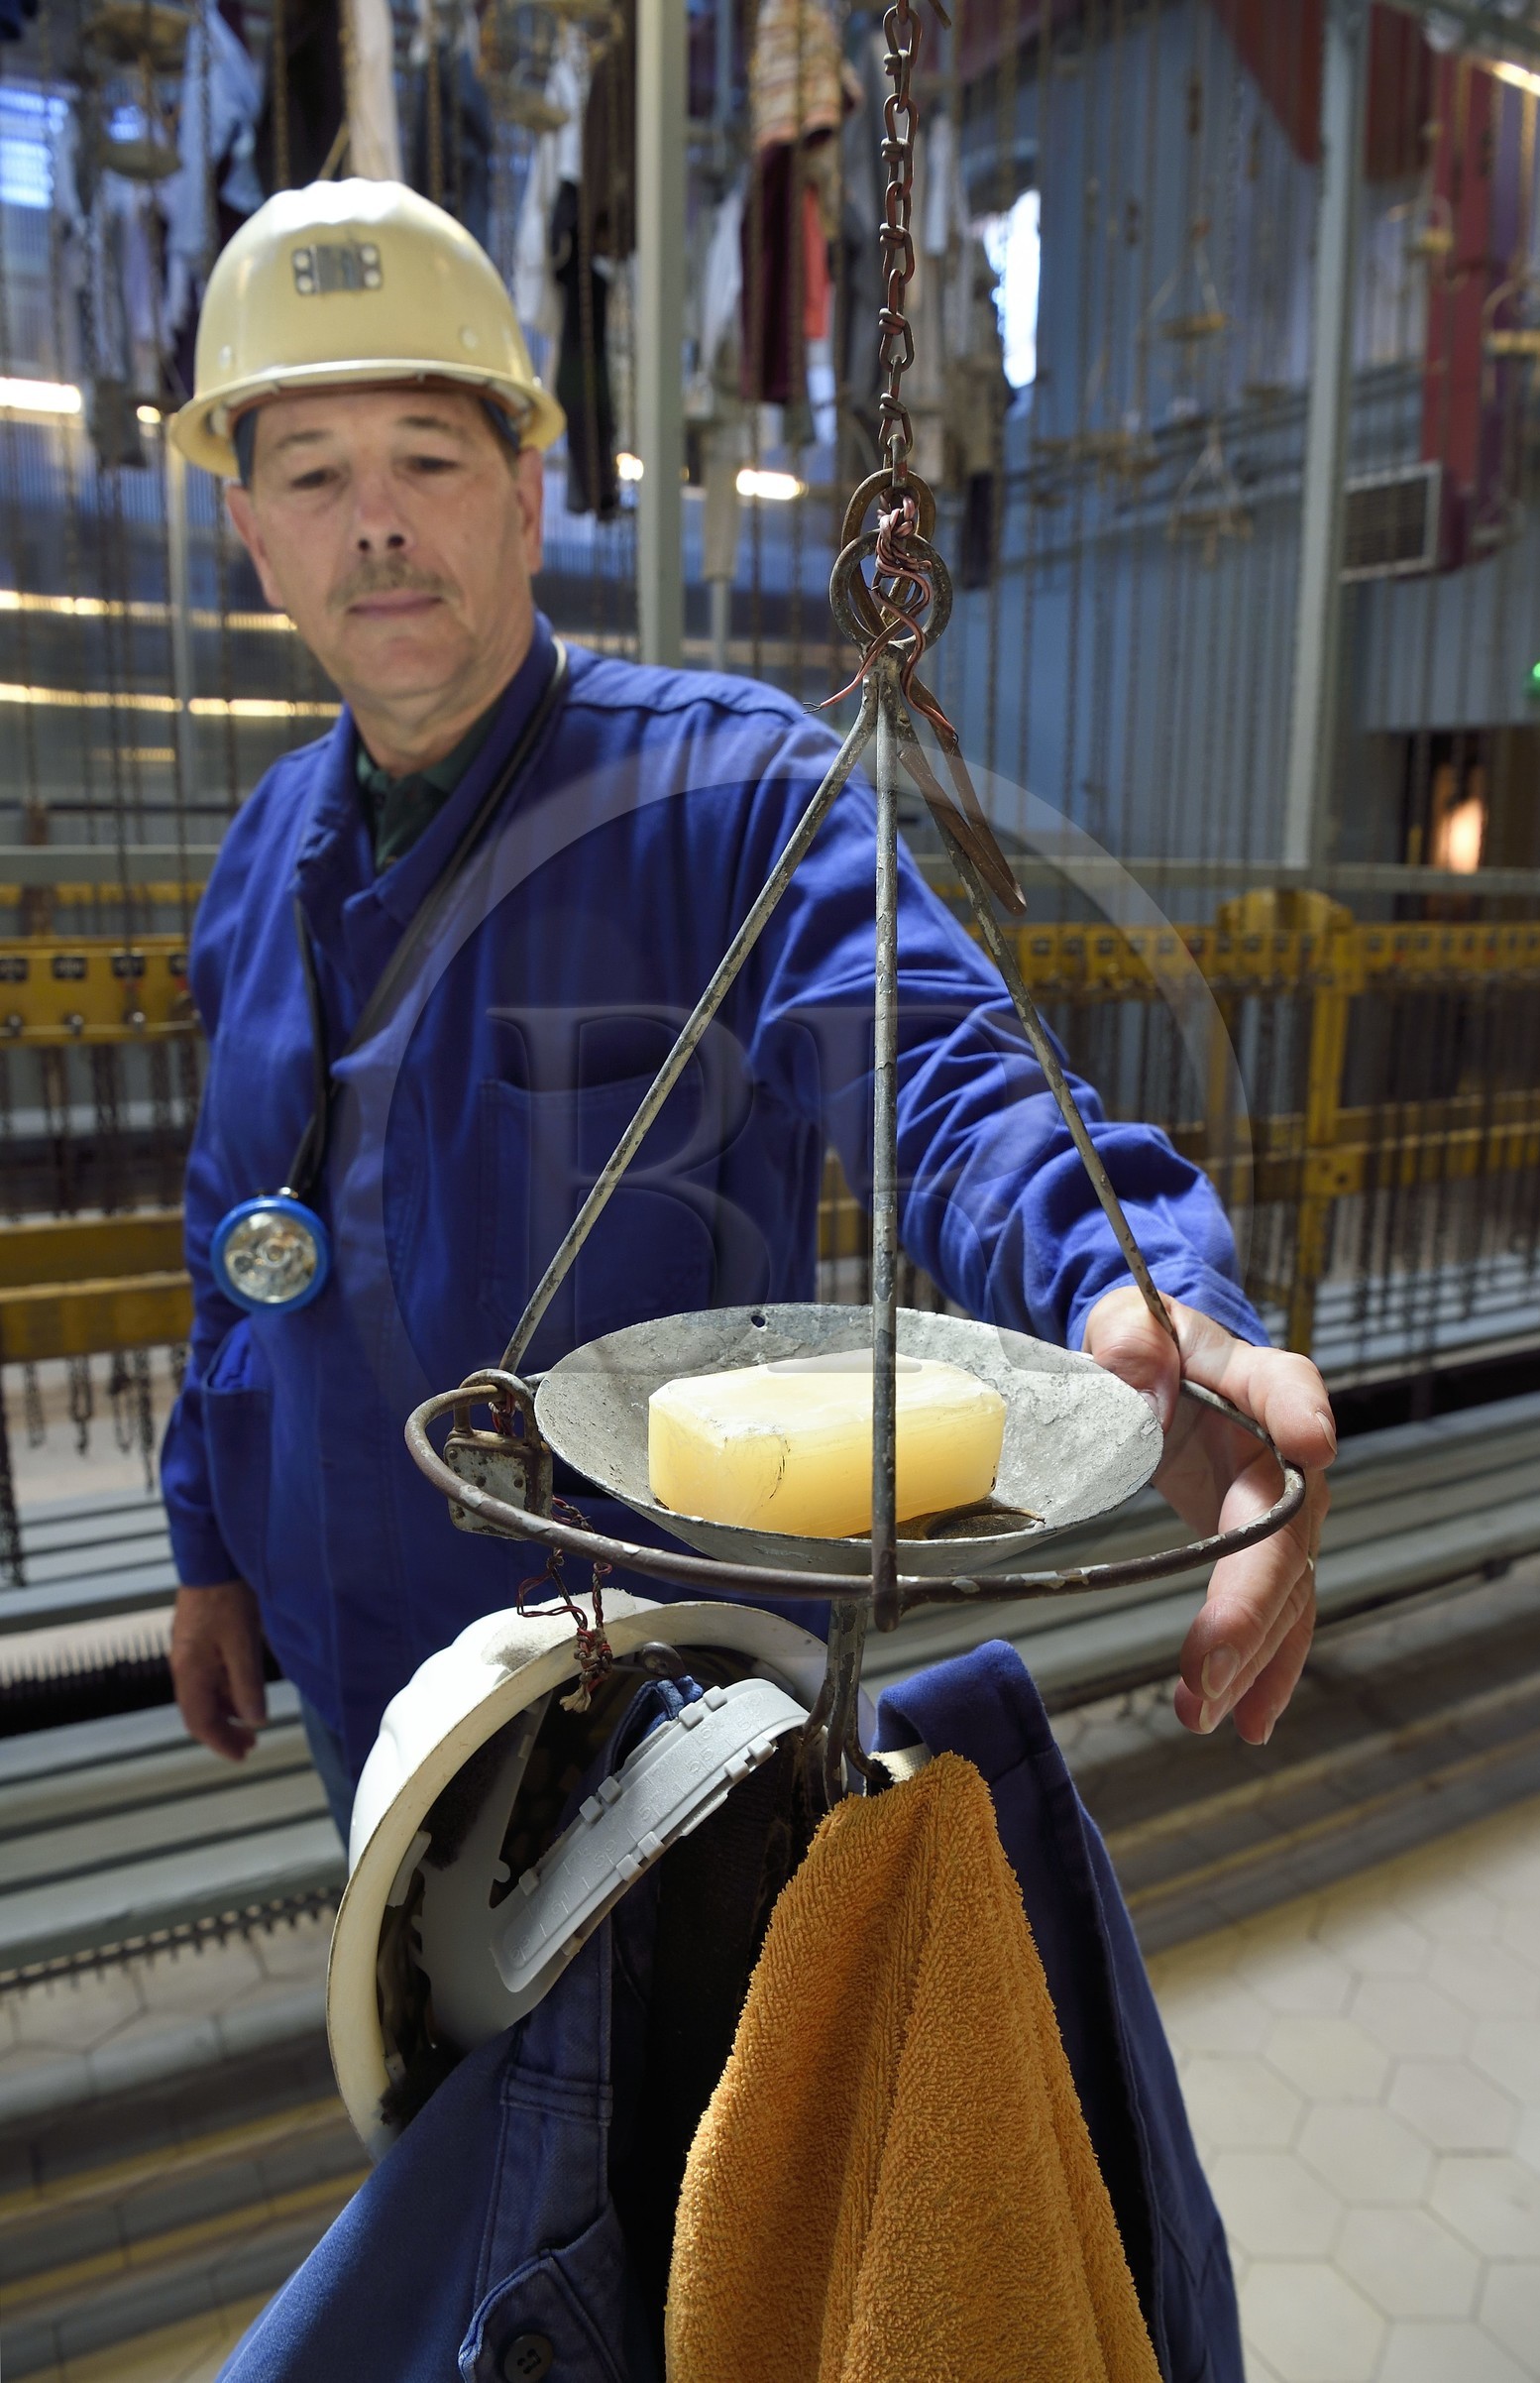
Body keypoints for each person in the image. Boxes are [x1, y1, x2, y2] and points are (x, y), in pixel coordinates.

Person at [163, 179, 1335, 1842]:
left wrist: (1127, 1289)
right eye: (312, 474)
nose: (376, 522)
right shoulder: (263, 849)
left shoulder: (722, 789)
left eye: (427, 459)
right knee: (417, 2052)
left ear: (527, 489)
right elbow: (234, 1234)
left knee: (702, 2085)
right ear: (249, 529)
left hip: (663, 1685)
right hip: (350, 1639)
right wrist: (207, 1546)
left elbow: (944, 1065)